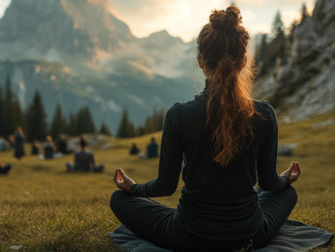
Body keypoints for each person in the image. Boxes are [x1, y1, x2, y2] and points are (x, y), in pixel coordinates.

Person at [110, 6, 301, 251]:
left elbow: (165, 187)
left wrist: (132, 187)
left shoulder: (178, 115)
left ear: (201, 62)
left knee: (119, 199)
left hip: (188, 236)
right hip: (250, 235)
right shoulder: (263, 114)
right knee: (289, 194)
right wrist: (285, 179)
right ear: (243, 61)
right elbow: (269, 184)